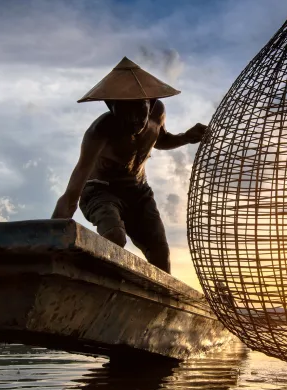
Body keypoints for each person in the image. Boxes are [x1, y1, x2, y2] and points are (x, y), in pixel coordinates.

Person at [51, 57, 207, 273]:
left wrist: (186, 137)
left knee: (160, 254)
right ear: (111, 107)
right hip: (100, 190)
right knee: (114, 236)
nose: (133, 120)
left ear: (150, 103)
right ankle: (102, 286)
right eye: (124, 112)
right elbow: (73, 192)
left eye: (139, 111)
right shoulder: (100, 131)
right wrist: (50, 237)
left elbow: (160, 140)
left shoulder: (157, 112)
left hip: (138, 192)